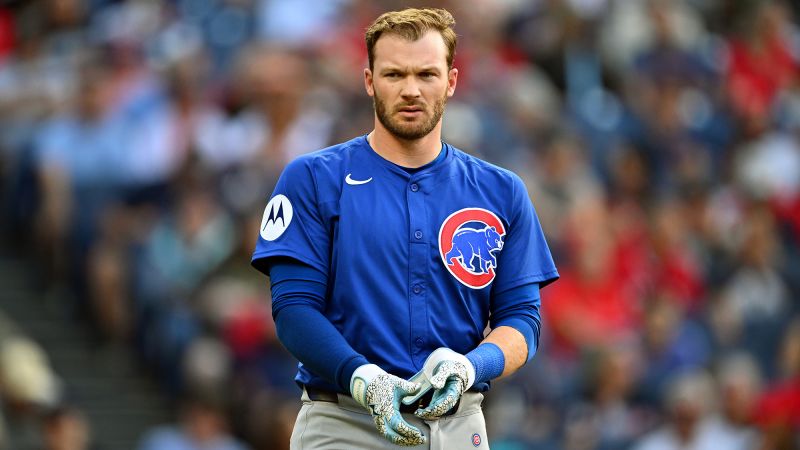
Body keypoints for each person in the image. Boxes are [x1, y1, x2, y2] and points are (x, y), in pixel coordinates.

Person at [251, 7, 558, 449]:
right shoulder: (314, 178)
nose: (411, 90)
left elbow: (523, 321)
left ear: (451, 81)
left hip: (459, 424)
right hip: (345, 422)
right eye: (394, 75)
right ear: (369, 80)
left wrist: (471, 367)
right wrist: (364, 378)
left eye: (426, 74)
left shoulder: (501, 190)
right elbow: (293, 308)